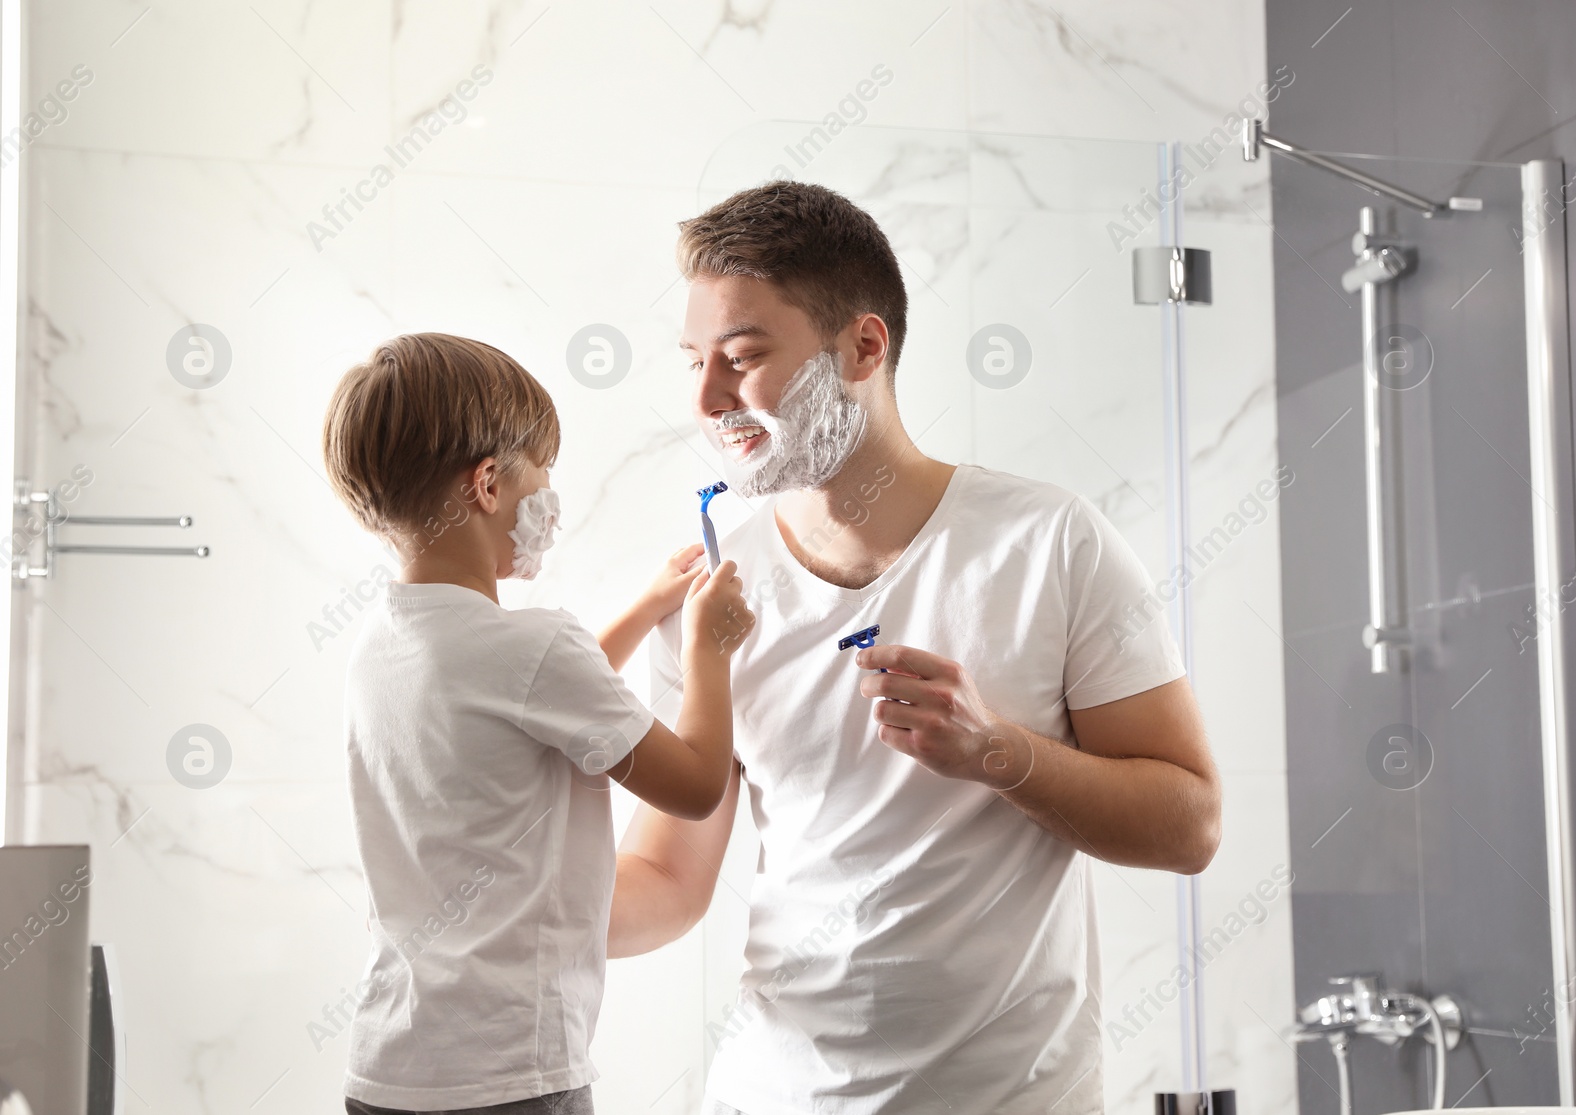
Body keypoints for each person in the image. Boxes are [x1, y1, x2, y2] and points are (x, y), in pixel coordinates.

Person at [607, 184, 1223, 1115]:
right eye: (693, 361)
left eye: (741, 357)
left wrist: (999, 754)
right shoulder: (710, 596)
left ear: (863, 346)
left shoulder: (1050, 542)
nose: (706, 398)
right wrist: (507, 919)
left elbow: (1189, 826)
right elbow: (667, 877)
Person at [320, 333, 754, 1115]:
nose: (551, 499)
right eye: (540, 476)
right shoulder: (532, 646)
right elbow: (692, 784)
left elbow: (541, 699)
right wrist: (708, 648)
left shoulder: (380, 639)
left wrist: (645, 605)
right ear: (487, 483)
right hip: (510, 1071)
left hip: (391, 1063)